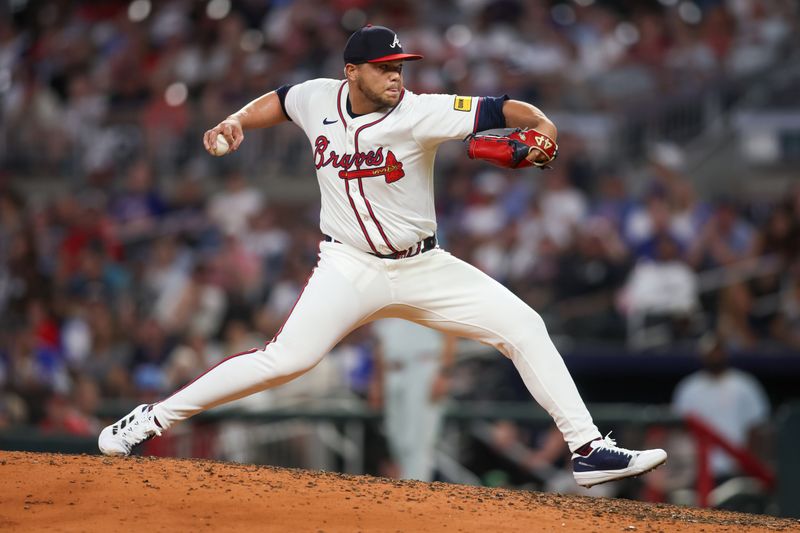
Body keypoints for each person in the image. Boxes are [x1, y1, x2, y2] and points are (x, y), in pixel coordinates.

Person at [98, 25, 666, 488]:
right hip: (349, 267)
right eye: (386, 67)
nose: (397, 75)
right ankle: (148, 420)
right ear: (352, 72)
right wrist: (238, 121)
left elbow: (499, 108)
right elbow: (279, 101)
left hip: (423, 267)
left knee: (523, 325)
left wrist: (543, 125)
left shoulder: (419, 112)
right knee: (285, 360)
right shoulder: (318, 96)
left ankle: (588, 448)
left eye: (401, 66)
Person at [672, 334, 770, 483]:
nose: (715, 356)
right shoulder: (689, 388)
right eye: (711, 352)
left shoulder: (745, 384)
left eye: (718, 351)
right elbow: (680, 432)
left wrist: (749, 466)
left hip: (737, 469)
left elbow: (757, 428)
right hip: (699, 470)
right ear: (702, 355)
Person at [369, 319, 456, 482]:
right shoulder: (386, 296)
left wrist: (445, 372)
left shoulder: (432, 292)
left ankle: (416, 499)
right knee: (397, 441)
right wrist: (377, 381)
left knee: (418, 443)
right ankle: (405, 495)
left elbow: (450, 329)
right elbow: (380, 341)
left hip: (423, 366)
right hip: (392, 370)